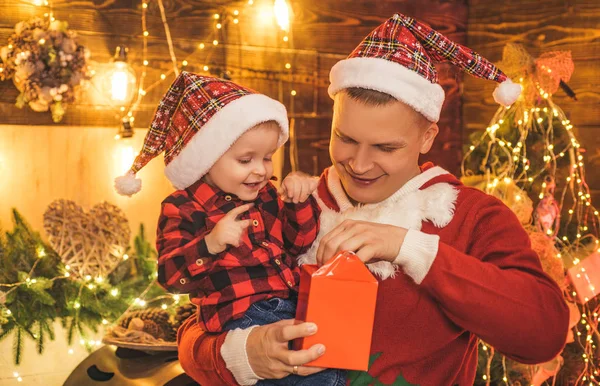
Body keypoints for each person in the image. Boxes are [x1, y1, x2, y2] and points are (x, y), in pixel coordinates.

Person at [175, 13, 570, 386]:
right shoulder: (278, 205)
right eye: (345, 139)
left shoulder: (472, 216)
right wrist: (243, 353)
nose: (359, 164)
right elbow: (194, 331)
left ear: (427, 137)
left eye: (385, 147)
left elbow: (543, 334)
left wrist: (409, 248)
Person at [114, 71, 346, 385]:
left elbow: (299, 243)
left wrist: (298, 202)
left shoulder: (266, 197)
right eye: (246, 159)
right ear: (206, 158)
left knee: (334, 363)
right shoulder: (184, 206)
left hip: (293, 301)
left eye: (267, 158)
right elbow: (170, 277)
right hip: (242, 316)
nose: (261, 170)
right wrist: (209, 244)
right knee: (310, 375)